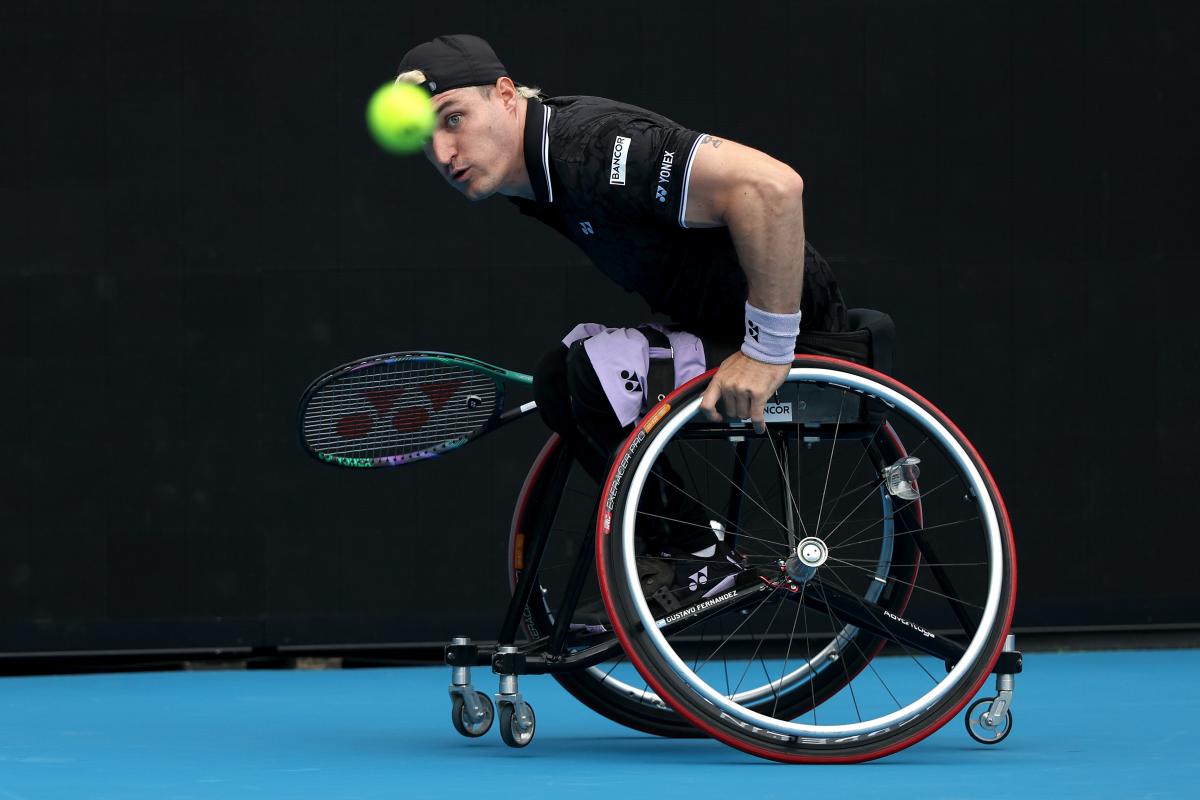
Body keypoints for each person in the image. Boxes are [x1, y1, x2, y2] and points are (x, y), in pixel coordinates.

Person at [395, 34, 850, 619]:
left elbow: (773, 187)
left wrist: (768, 350)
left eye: (453, 119)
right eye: (423, 140)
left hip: (799, 340)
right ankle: (672, 552)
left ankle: (692, 556)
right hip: (723, 333)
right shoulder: (540, 173)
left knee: (589, 370)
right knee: (563, 373)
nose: (441, 150)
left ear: (506, 95)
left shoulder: (597, 149)